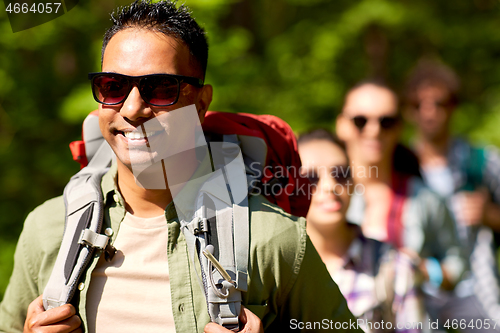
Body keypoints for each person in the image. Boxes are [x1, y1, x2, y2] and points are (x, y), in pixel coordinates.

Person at [0, 1, 362, 332]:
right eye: (113, 86)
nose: (132, 109)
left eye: (160, 88)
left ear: (201, 103)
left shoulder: (272, 239)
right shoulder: (48, 230)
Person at [335, 80, 466, 296]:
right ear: (342, 125)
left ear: (399, 128)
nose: (374, 130)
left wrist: (426, 270)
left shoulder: (425, 199)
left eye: (386, 121)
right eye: (361, 121)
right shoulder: (319, 196)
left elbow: (457, 265)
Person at [404, 59, 500, 331]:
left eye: (439, 103)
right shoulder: (400, 168)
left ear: (454, 106)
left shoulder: (482, 162)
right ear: (408, 111)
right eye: (418, 105)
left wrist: (489, 215)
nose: (429, 112)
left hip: (477, 290)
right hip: (417, 293)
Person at [298, 129, 424, 333]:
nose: (329, 186)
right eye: (311, 178)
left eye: (340, 174)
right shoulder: (272, 271)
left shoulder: (395, 268)